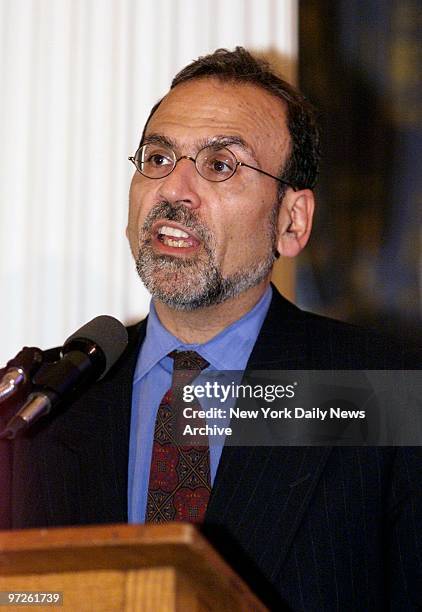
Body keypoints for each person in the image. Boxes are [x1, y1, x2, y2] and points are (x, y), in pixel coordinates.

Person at [7, 48, 422, 610]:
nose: (173, 190)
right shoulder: (52, 397)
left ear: (291, 220)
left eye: (220, 164)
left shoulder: (381, 392)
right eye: (157, 158)